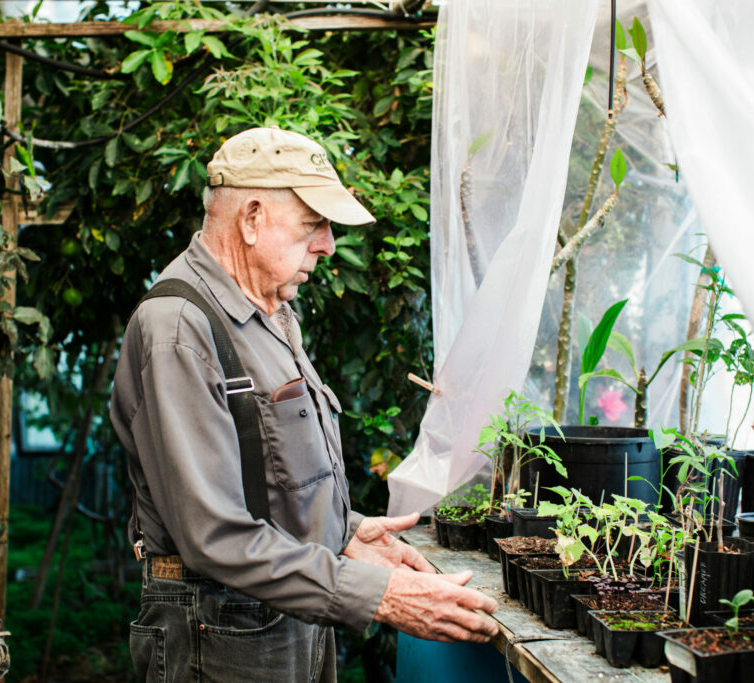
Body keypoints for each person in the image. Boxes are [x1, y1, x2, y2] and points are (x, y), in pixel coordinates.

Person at [110, 127, 498, 682]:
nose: (328, 245)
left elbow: (266, 477)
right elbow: (213, 536)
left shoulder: (270, 309)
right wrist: (380, 596)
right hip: (219, 635)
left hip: (285, 616)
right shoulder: (179, 327)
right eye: (313, 224)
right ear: (251, 219)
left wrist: (340, 531)